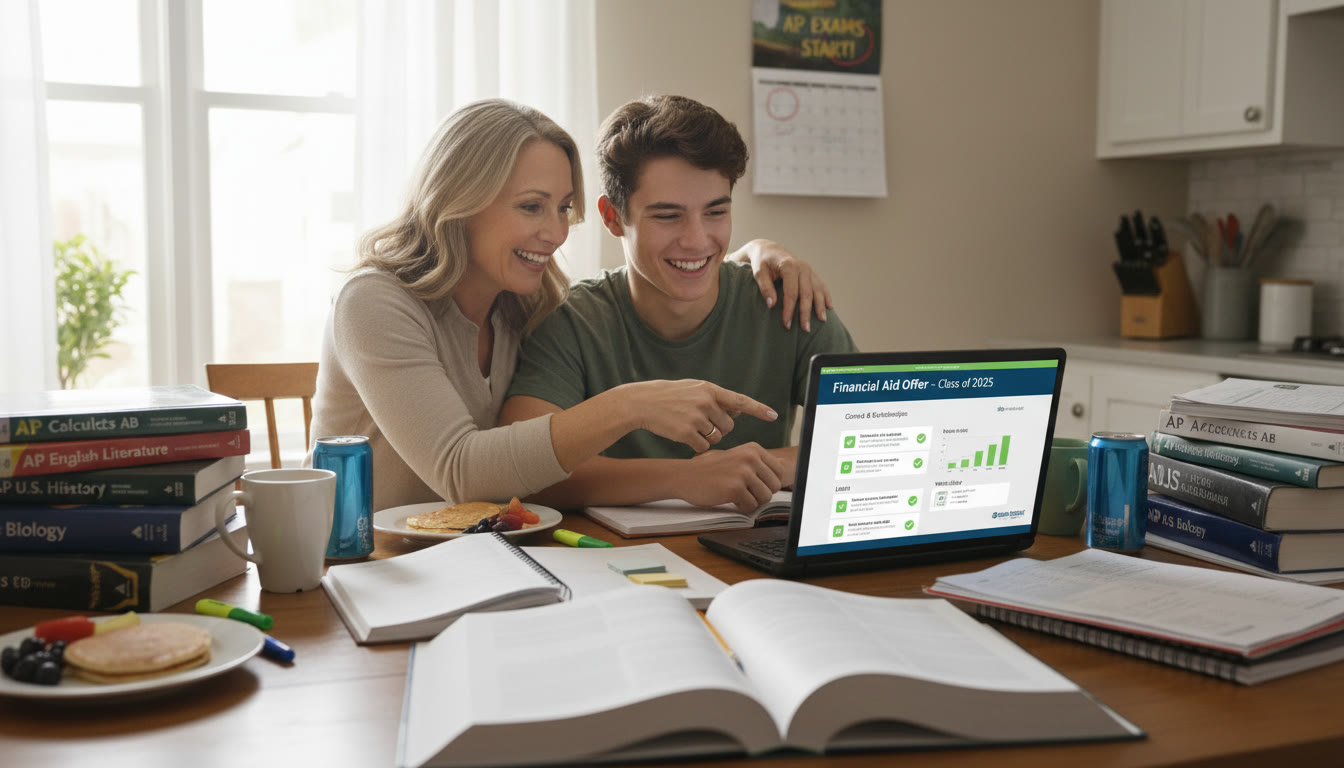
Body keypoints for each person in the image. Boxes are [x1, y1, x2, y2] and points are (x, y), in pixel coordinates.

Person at [309, 99, 830, 511]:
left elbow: (692, 258)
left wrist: (755, 253)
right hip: (372, 568)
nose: (556, 232)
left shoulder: (523, 305)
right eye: (532, 207)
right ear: (458, 200)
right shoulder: (374, 302)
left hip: (479, 560)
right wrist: (633, 404)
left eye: (562, 208)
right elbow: (463, 471)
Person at [500, 95, 857, 514]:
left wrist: (762, 469)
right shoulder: (573, 321)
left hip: (755, 547)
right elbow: (516, 471)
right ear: (612, 217)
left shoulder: (788, 300)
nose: (697, 240)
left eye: (715, 212)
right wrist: (684, 478)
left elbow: (873, 437)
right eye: (668, 216)